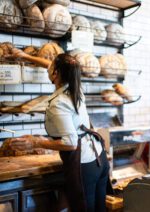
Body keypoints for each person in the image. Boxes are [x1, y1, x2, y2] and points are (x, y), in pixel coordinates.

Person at [9, 49, 110, 212]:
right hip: (99, 158)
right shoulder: (75, 87)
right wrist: (25, 56)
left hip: (83, 165)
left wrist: (35, 142)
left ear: (55, 74)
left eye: (51, 68)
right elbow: (50, 66)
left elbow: (70, 144)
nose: (48, 68)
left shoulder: (58, 103)